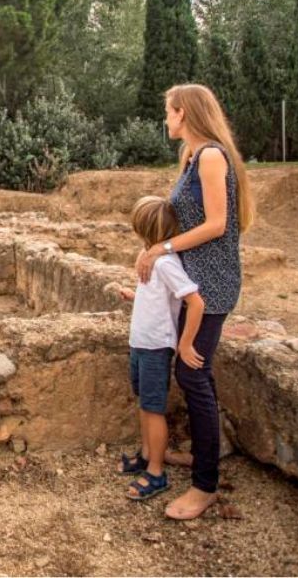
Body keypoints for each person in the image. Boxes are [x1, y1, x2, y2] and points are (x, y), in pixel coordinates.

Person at [135, 83, 255, 520]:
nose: (166, 118)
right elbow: (176, 218)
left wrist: (163, 251)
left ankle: (205, 485)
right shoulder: (190, 157)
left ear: (183, 112)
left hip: (212, 283)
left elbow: (219, 225)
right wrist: (153, 244)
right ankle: (213, 450)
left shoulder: (210, 156)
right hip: (193, 279)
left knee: (191, 372)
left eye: (168, 111)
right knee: (195, 373)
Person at [119, 196, 204, 501]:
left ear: (145, 230)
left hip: (155, 346)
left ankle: (156, 471)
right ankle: (145, 453)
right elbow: (157, 297)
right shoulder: (149, 257)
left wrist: (184, 343)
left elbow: (195, 301)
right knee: (144, 402)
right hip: (140, 342)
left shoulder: (166, 263)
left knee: (154, 409)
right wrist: (134, 296)